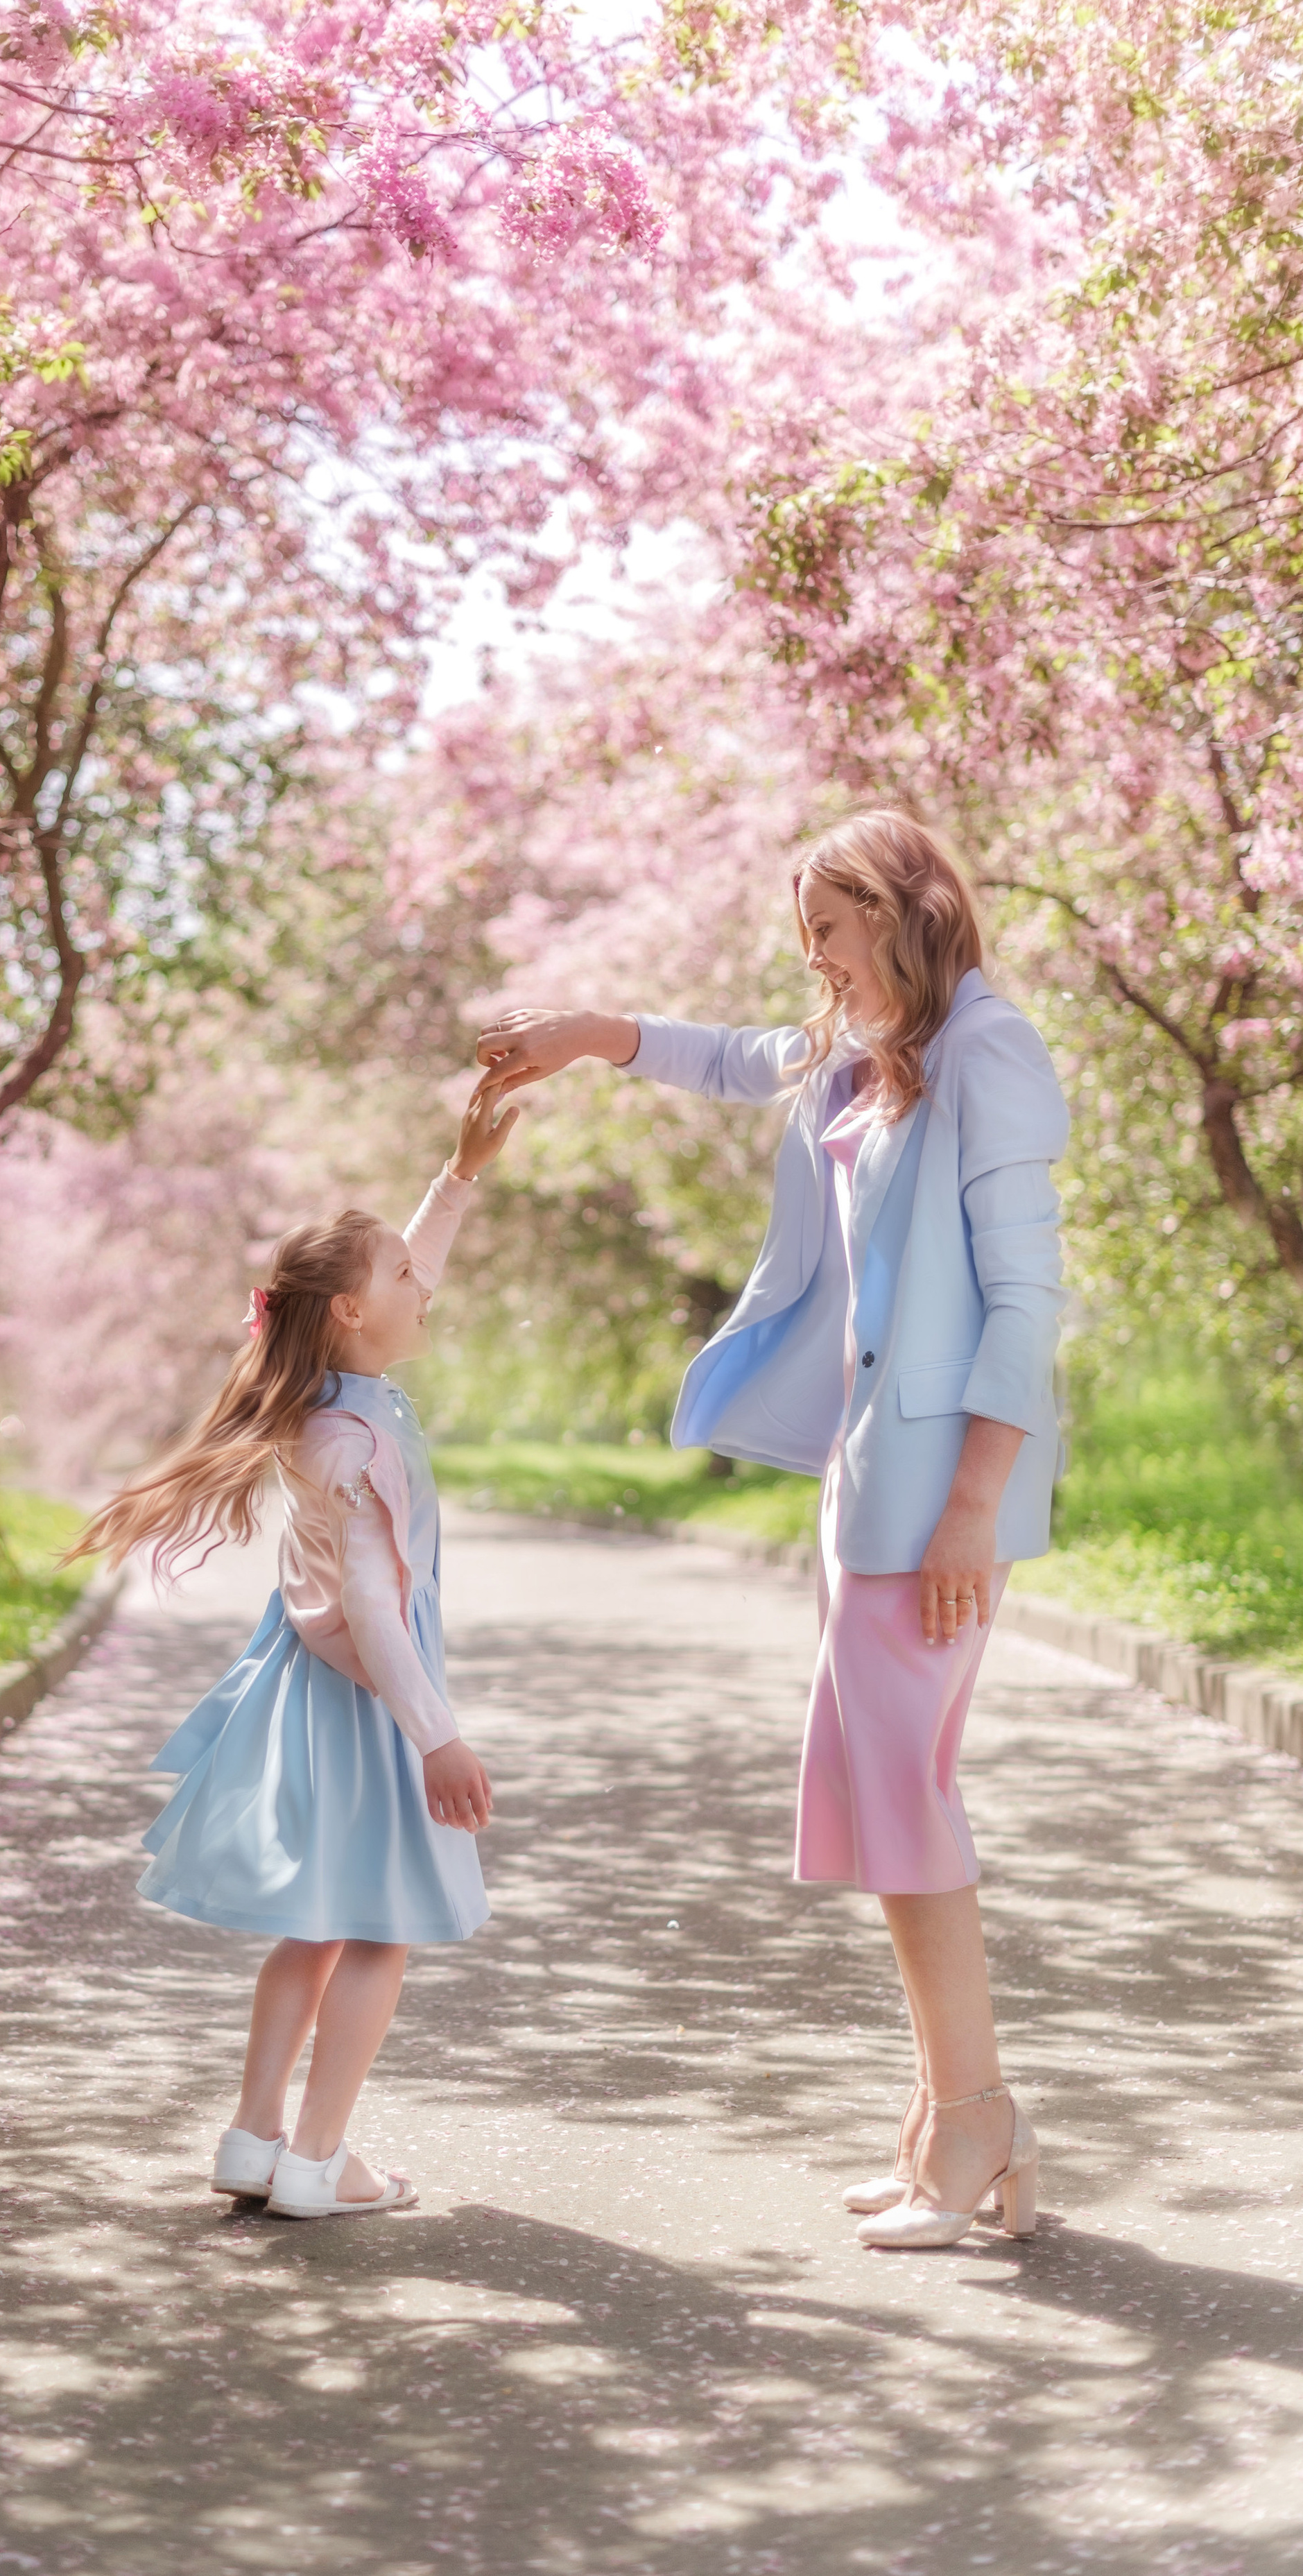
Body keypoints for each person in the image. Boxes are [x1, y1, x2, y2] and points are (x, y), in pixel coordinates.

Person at [474, 809, 1067, 2251]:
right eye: (801, 934)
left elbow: (1024, 1302)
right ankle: (941, 2118)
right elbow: (740, 1057)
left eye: (825, 927)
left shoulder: (985, 1051)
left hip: (937, 1492)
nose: (809, 958)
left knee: (906, 1803)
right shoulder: (871, 1054)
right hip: (867, 1479)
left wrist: (973, 1510)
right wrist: (591, 1035)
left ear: (899, 910)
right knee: (877, 1801)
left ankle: (976, 2120)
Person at [69, 1085, 518, 2219]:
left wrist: (459, 1176)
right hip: (376, 1704)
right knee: (383, 1924)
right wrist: (442, 1738)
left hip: (318, 1698)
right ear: (355, 1314)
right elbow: (376, 1609)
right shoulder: (355, 1438)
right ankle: (323, 2159)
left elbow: (402, 1264)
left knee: (314, 1925)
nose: (427, 1283)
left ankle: (255, 2136)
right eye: (405, 1279)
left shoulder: (335, 1396)